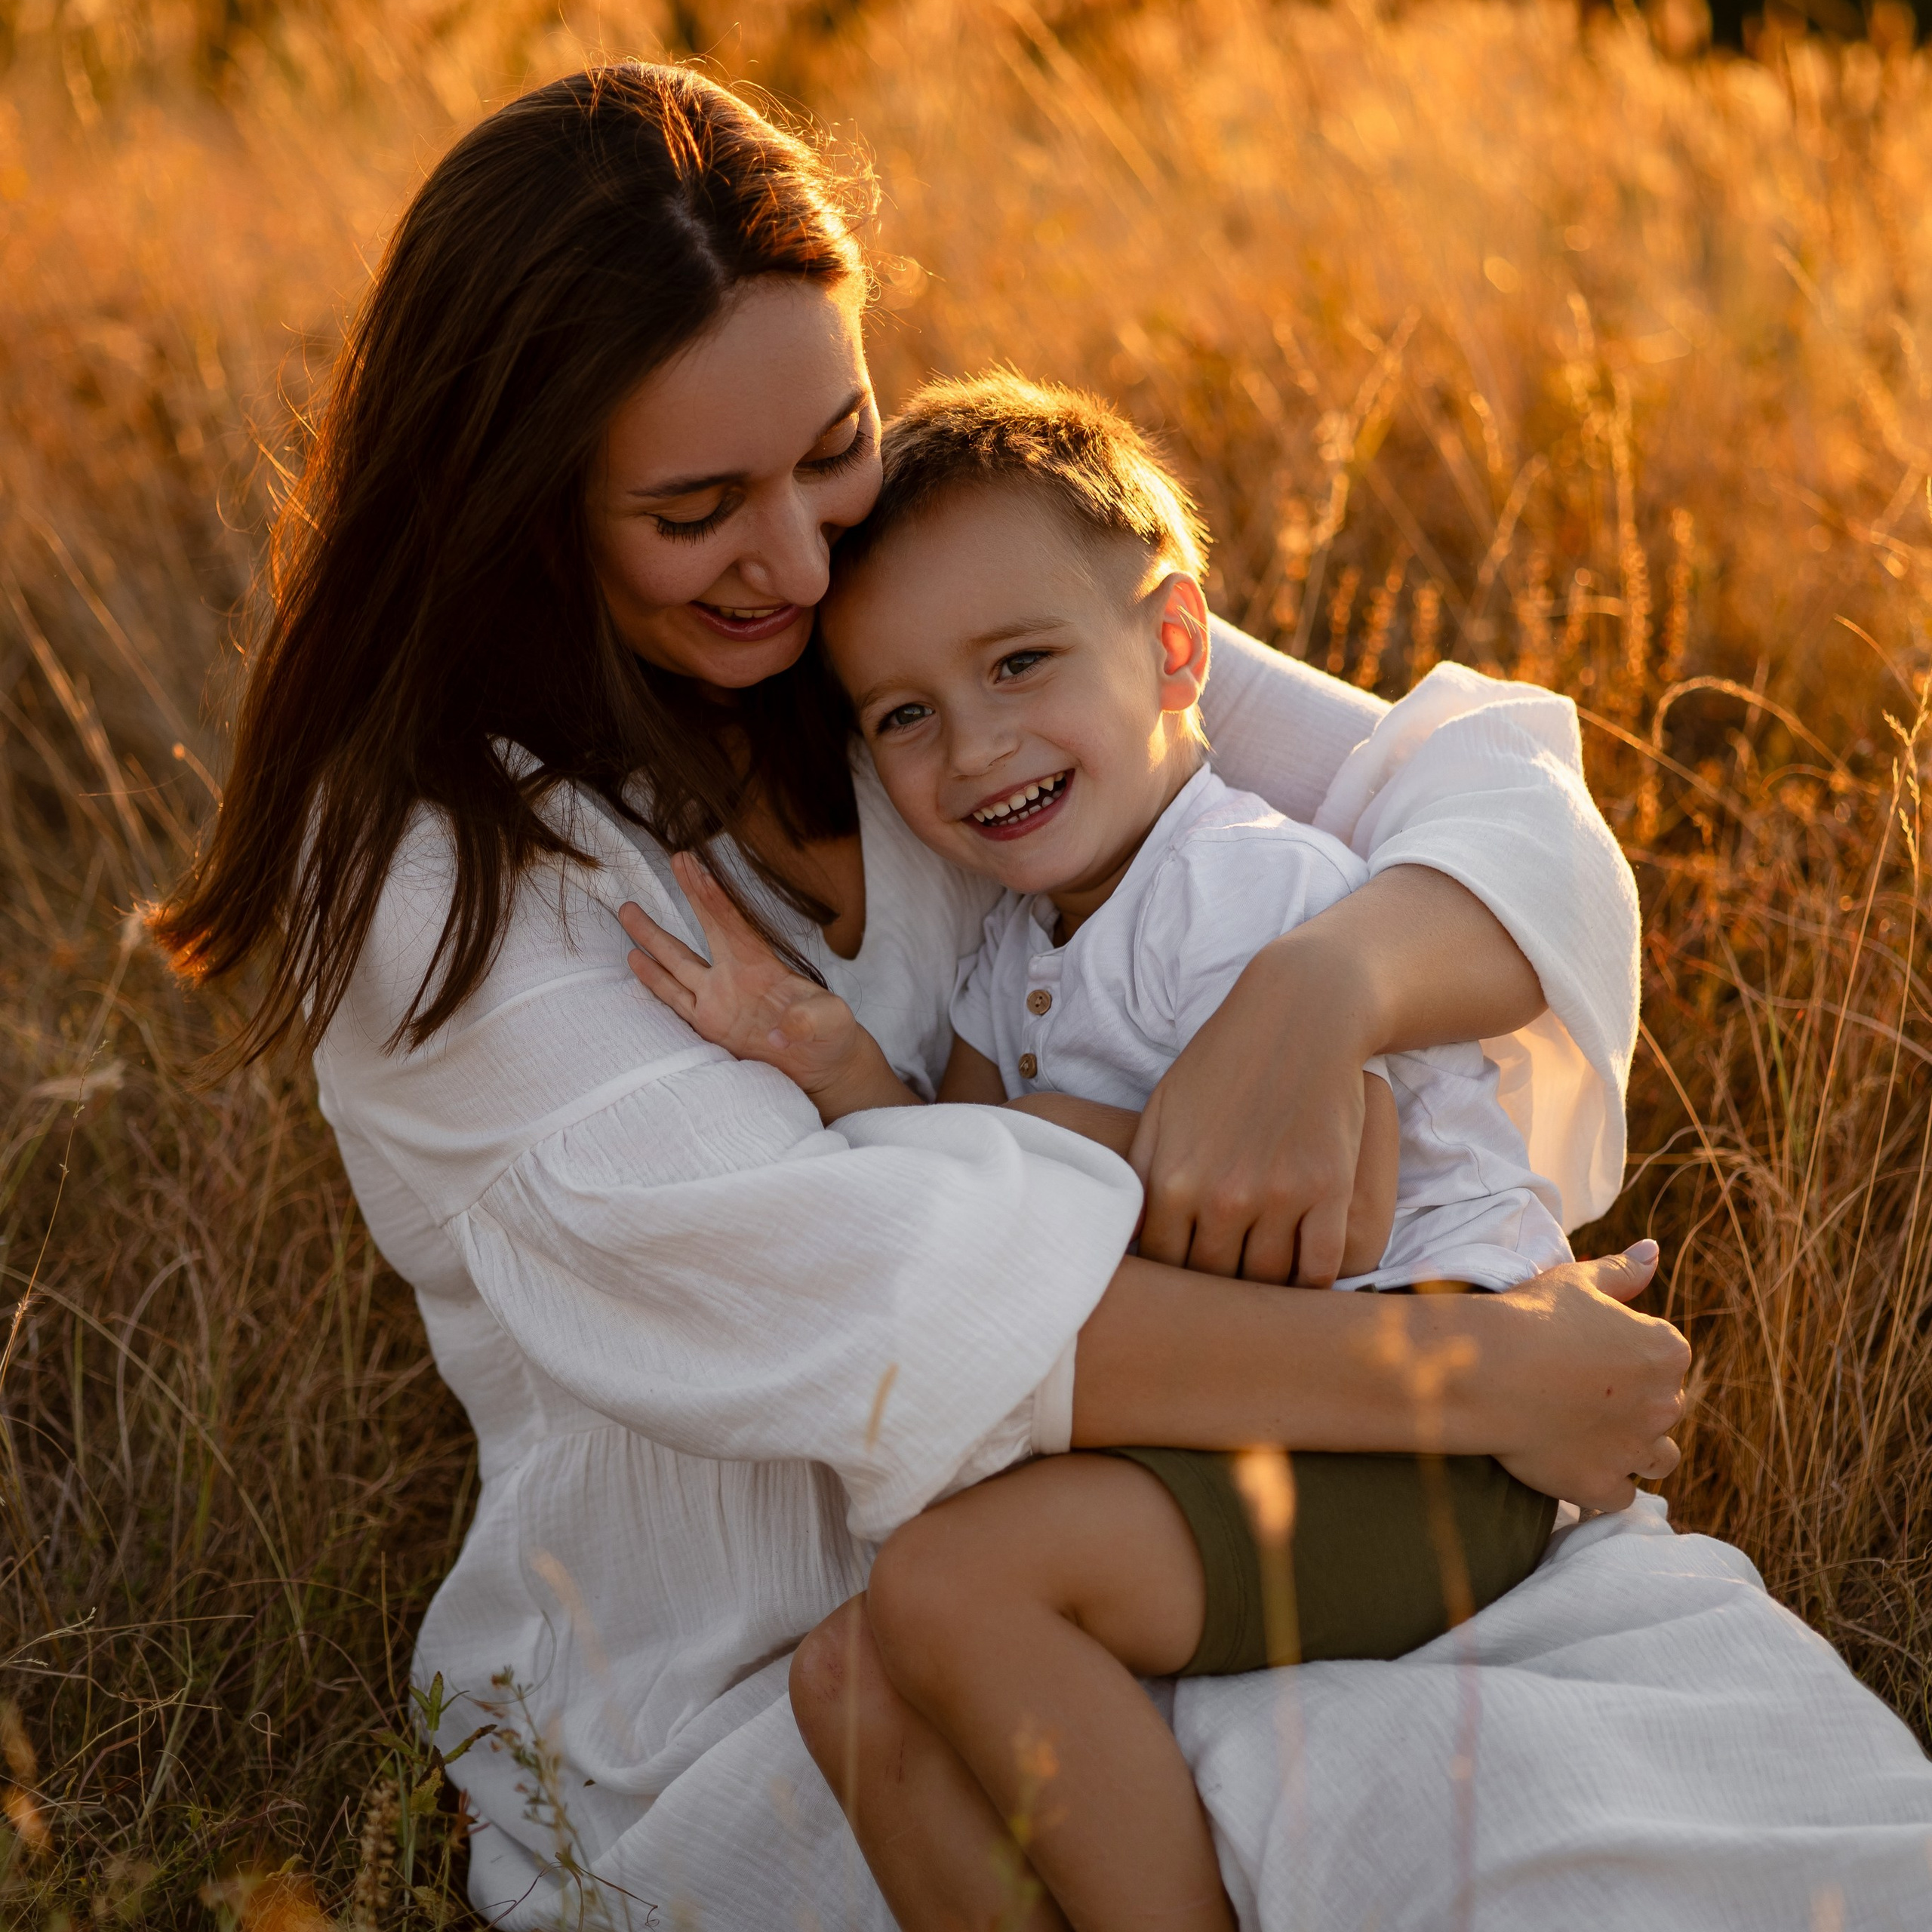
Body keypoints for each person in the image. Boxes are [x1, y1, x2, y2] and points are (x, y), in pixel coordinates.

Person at [149, 62, 1930, 1932]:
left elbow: (1483, 803)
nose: (799, 553)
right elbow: (893, 1290)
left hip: (1237, 1487)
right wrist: (1475, 1373)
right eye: (696, 509)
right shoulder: (449, 881)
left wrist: (1314, 994)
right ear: (522, 502)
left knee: (1792, 1845)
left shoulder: (933, 604)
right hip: (782, 1674)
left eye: (828, 443)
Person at [620, 371, 1585, 1930]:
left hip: (1429, 1429)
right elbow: (962, 1193)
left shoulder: (1244, 897)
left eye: (1018, 664)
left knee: (949, 1582)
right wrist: (830, 1052)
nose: (975, 745)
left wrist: (1045, 1142)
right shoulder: (1017, 945)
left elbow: (1302, 1220)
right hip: (1253, 1415)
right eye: (906, 715)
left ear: (1174, 646)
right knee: (845, 1677)